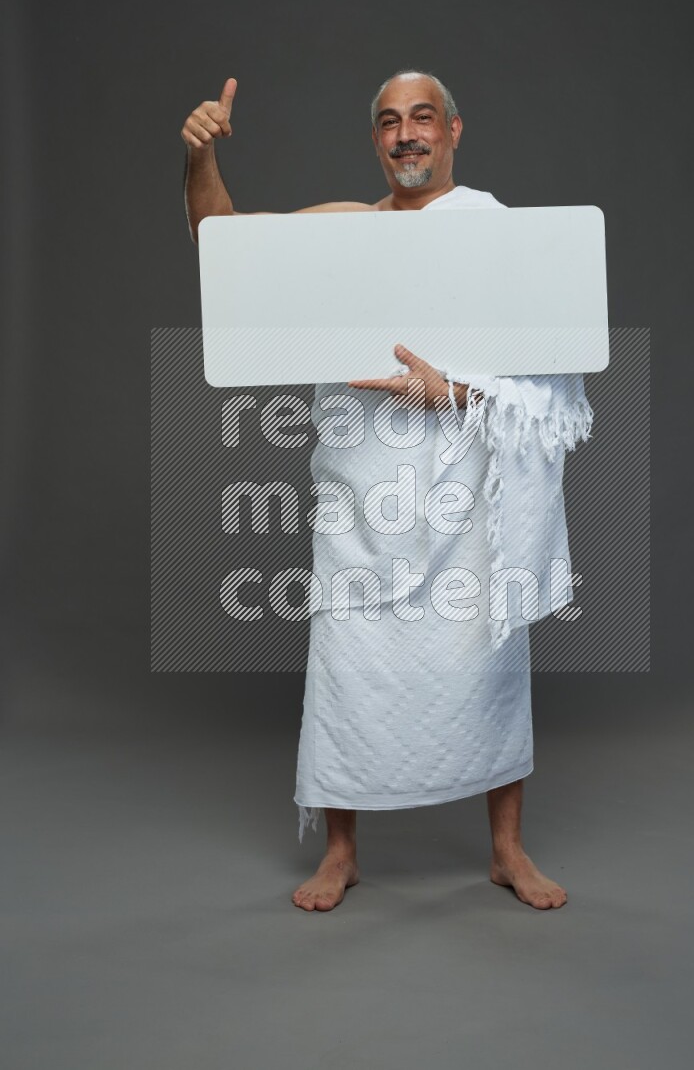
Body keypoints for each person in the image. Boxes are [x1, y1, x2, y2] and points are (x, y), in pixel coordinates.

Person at [181, 69, 593, 913]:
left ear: (453, 130)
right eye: (389, 123)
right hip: (361, 495)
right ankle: (341, 854)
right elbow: (221, 246)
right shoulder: (345, 230)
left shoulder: (495, 233)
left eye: (422, 119)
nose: (406, 134)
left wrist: (454, 392)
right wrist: (198, 159)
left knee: (491, 664)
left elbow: (554, 384)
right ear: (375, 140)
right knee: (348, 663)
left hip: (465, 496)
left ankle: (507, 849)